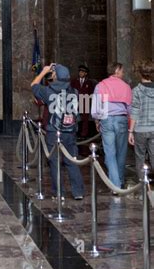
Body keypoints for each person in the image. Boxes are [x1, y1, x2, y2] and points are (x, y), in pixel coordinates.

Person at [31, 63, 84, 200]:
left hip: (54, 131)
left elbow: (33, 85)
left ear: (56, 76)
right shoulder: (75, 92)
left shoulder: (48, 91)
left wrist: (43, 72)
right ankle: (78, 191)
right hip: (70, 130)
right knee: (72, 161)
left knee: (55, 162)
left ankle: (59, 192)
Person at [91, 62, 132, 190]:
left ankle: (115, 184)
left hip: (106, 119)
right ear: (116, 71)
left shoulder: (100, 85)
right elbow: (130, 108)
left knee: (110, 153)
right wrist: (131, 125)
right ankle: (118, 181)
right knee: (121, 152)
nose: (123, 73)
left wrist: (97, 121)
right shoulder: (126, 87)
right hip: (122, 119)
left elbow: (95, 108)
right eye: (122, 71)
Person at [128, 61, 154, 179]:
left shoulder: (136, 91)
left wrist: (130, 131)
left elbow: (134, 112)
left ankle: (142, 185)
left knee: (140, 157)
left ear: (140, 74)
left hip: (140, 129)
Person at [70, 64, 96, 139]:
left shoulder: (89, 82)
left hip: (85, 102)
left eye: (82, 72)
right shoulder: (74, 81)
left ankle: (84, 134)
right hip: (76, 102)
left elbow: (91, 93)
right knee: (74, 117)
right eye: (80, 72)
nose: (80, 73)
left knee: (85, 119)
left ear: (86, 73)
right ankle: (74, 132)